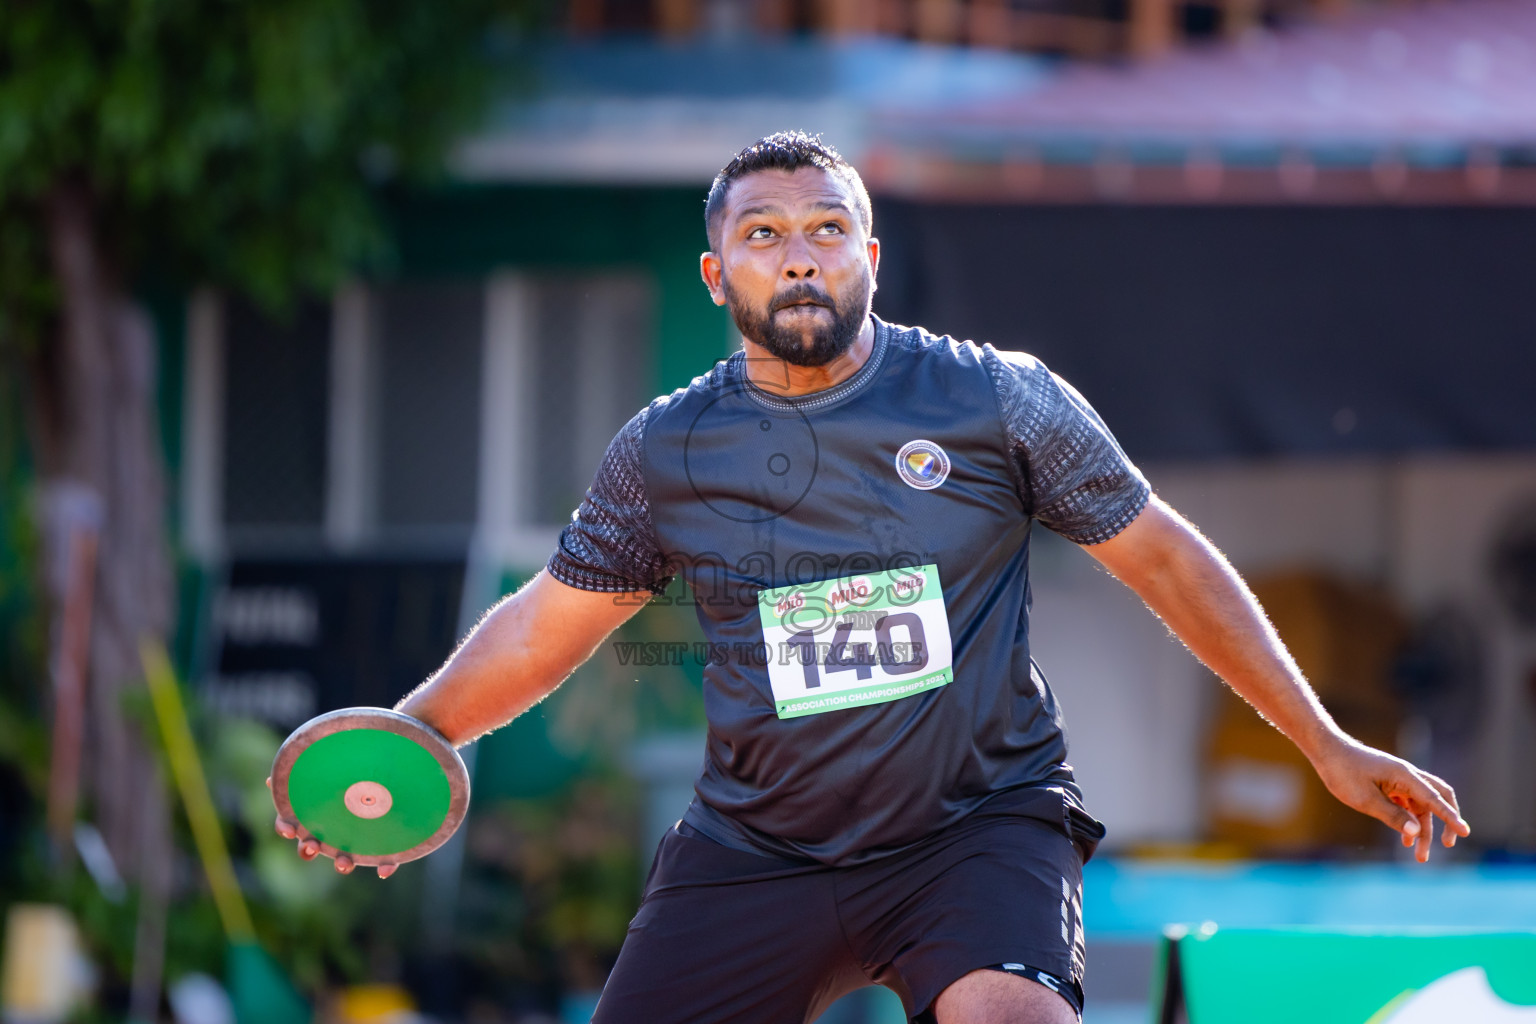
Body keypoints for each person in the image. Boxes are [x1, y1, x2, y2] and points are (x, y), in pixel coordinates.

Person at [274, 132, 1469, 1024]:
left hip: (979, 826)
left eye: (826, 228)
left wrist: (1322, 741)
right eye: (764, 235)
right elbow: (548, 626)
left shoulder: (999, 399)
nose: (799, 256)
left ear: (871, 257)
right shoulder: (665, 451)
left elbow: (1167, 559)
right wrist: (409, 742)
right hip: (757, 847)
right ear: (715, 275)